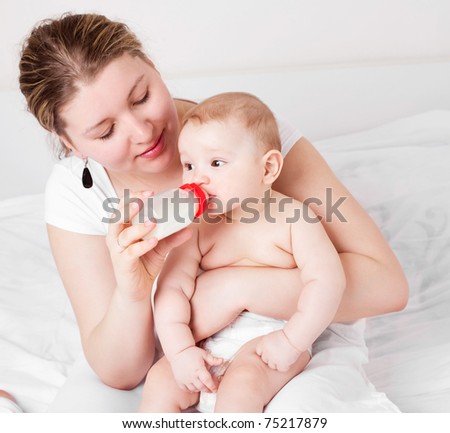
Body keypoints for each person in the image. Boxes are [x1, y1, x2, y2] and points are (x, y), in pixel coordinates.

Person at [18, 13, 408, 412]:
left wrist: (235, 290)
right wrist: (133, 294)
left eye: (142, 97)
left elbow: (387, 286)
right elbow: (121, 372)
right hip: (177, 358)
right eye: (105, 131)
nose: (142, 131)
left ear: (152, 68)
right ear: (68, 141)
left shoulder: (245, 137)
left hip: (283, 339)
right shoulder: (75, 193)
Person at [140, 92, 346, 412]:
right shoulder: (197, 227)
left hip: (271, 341)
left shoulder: (295, 219)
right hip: (206, 341)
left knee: (241, 386)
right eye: (189, 165)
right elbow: (171, 290)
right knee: (160, 380)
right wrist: (180, 353)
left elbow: (327, 282)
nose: (198, 178)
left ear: (268, 168)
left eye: (217, 163)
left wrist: (293, 341)